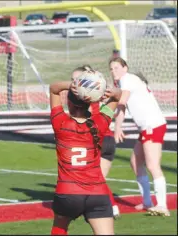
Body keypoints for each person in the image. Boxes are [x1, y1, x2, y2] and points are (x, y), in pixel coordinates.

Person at [50, 70, 122, 235]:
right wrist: (109, 92)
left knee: (59, 229)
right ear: (90, 103)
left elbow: (53, 88)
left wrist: (73, 84)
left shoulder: (59, 122)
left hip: (68, 192)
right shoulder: (100, 123)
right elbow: (118, 96)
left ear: (69, 102)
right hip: (97, 193)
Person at [110, 57, 169, 217]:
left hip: (152, 125)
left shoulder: (127, 79)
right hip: (146, 127)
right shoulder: (126, 81)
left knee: (152, 165)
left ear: (125, 68)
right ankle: (147, 201)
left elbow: (121, 103)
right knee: (135, 163)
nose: (113, 71)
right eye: (111, 68)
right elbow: (121, 104)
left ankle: (162, 205)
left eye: (116, 68)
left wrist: (117, 127)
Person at [74, 65, 120, 219]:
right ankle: (111, 207)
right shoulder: (98, 95)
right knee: (100, 179)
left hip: (98, 140)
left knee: (95, 178)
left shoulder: (84, 100)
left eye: (76, 80)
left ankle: (110, 207)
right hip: (109, 139)